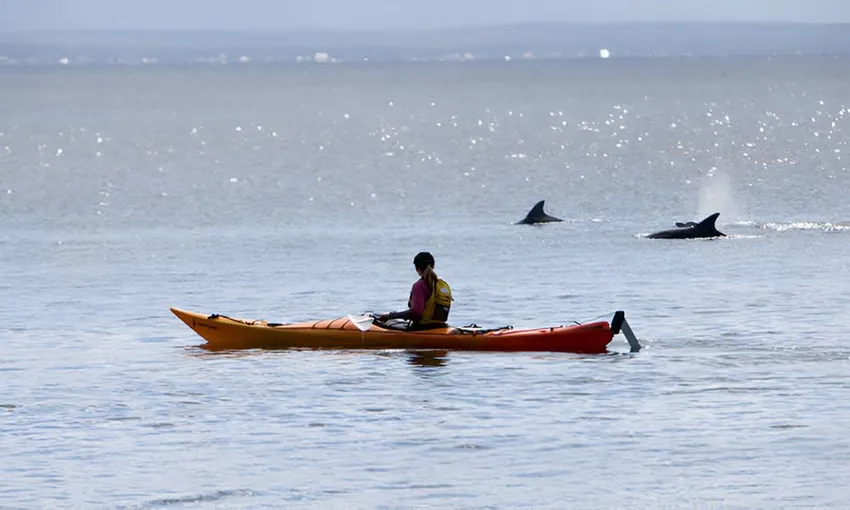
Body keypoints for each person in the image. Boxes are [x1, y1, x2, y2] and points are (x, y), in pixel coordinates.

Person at [378, 252, 453, 329]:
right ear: (433, 266)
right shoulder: (442, 285)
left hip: (422, 328)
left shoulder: (419, 286)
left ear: (417, 268)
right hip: (441, 327)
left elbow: (416, 312)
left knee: (380, 323)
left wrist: (392, 316)